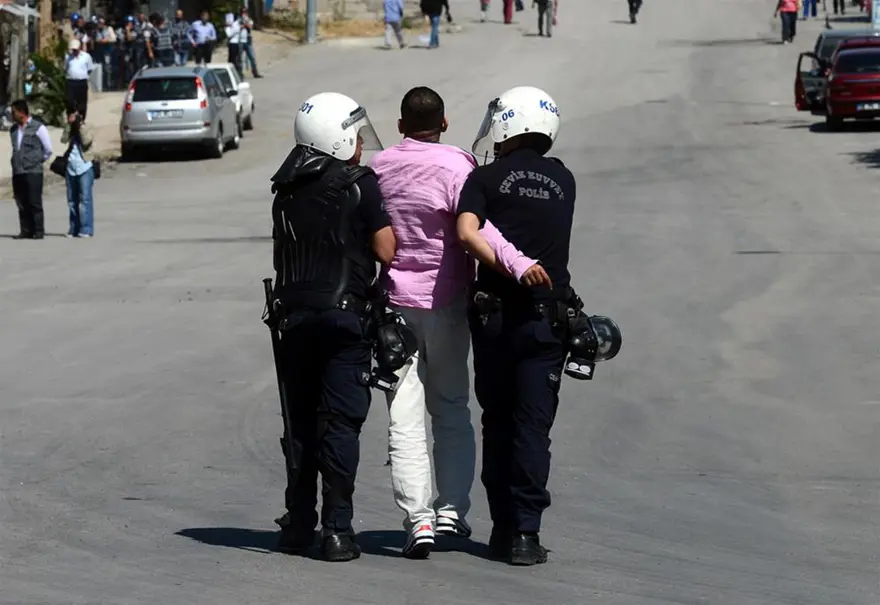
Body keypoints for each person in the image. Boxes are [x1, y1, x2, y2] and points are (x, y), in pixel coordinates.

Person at [368, 87, 544, 559]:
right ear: (444, 123)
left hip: (393, 306)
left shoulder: (378, 167)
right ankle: (451, 511)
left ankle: (417, 520)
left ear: (400, 125)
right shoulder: (457, 166)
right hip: (446, 306)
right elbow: (478, 231)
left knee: (403, 416)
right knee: (449, 408)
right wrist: (518, 261)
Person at [268, 92, 397, 562]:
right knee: (339, 424)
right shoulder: (359, 183)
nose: (361, 143)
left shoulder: (284, 187)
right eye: (355, 133)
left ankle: (298, 524)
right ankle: (337, 530)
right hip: (345, 319)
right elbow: (386, 251)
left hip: (294, 319)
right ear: (336, 136)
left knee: (299, 423)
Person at [455, 86, 577, 566]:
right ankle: (526, 534)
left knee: (497, 424)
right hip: (547, 322)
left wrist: (508, 265)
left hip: (495, 319)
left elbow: (467, 232)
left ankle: (502, 528)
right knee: (532, 429)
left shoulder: (484, 179)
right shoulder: (565, 181)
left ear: (505, 124)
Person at [9, 100, 53, 240]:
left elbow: (48, 150)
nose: (12, 115)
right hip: (18, 171)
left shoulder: (38, 128)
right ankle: (26, 230)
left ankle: (38, 231)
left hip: (33, 171)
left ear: (21, 112)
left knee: (34, 202)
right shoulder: (14, 130)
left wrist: (36, 161)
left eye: (13, 112)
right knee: (21, 202)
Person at [61, 104, 96, 238]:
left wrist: (79, 125)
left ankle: (86, 229)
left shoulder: (87, 127)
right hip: (71, 167)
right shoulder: (70, 129)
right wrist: (69, 126)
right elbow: (63, 140)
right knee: (72, 200)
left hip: (85, 166)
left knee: (85, 199)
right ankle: (74, 228)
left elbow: (86, 141)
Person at [64, 39, 94, 123]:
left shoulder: (86, 56)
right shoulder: (68, 57)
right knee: (70, 100)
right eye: (72, 50)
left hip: (82, 82)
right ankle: (71, 115)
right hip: (71, 81)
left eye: (75, 50)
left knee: (82, 101)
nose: (74, 51)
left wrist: (83, 75)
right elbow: (65, 68)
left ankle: (81, 118)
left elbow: (90, 69)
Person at [239, 10, 262, 77]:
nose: (244, 14)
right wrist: (243, 25)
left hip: (248, 41)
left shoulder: (249, 20)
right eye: (243, 13)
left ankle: (255, 72)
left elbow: (250, 26)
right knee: (240, 58)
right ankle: (240, 73)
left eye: (245, 13)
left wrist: (245, 23)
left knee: (252, 57)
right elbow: (238, 27)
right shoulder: (238, 20)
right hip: (240, 41)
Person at [225, 13, 243, 78]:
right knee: (231, 59)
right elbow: (229, 34)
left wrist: (235, 28)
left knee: (236, 59)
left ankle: (237, 73)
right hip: (232, 44)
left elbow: (238, 28)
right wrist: (234, 29)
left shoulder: (235, 24)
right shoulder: (228, 28)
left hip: (236, 43)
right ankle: (230, 74)